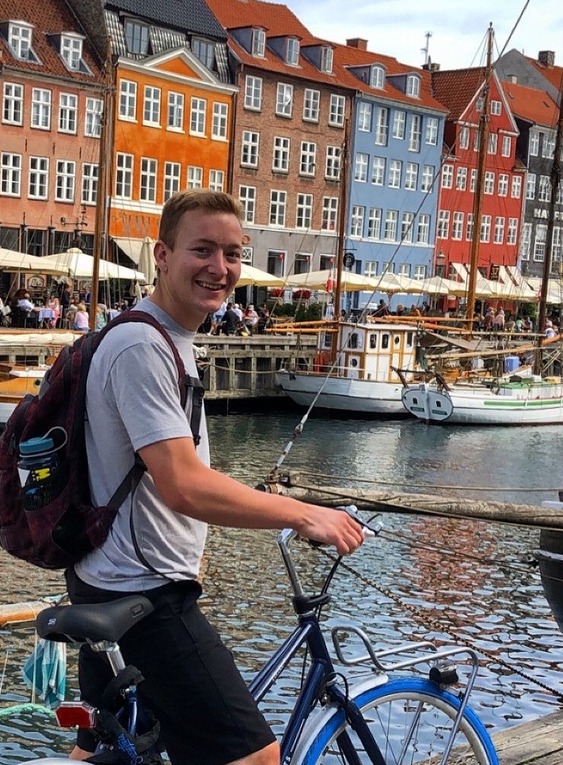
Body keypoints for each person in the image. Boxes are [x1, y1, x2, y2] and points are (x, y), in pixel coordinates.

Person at [67, 189, 363, 765]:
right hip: (145, 598)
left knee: (112, 756)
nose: (220, 268)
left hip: (110, 585)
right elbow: (183, 485)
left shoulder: (168, 339)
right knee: (255, 758)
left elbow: (172, 474)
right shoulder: (141, 346)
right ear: (162, 254)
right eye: (202, 250)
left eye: (232, 253)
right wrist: (306, 514)